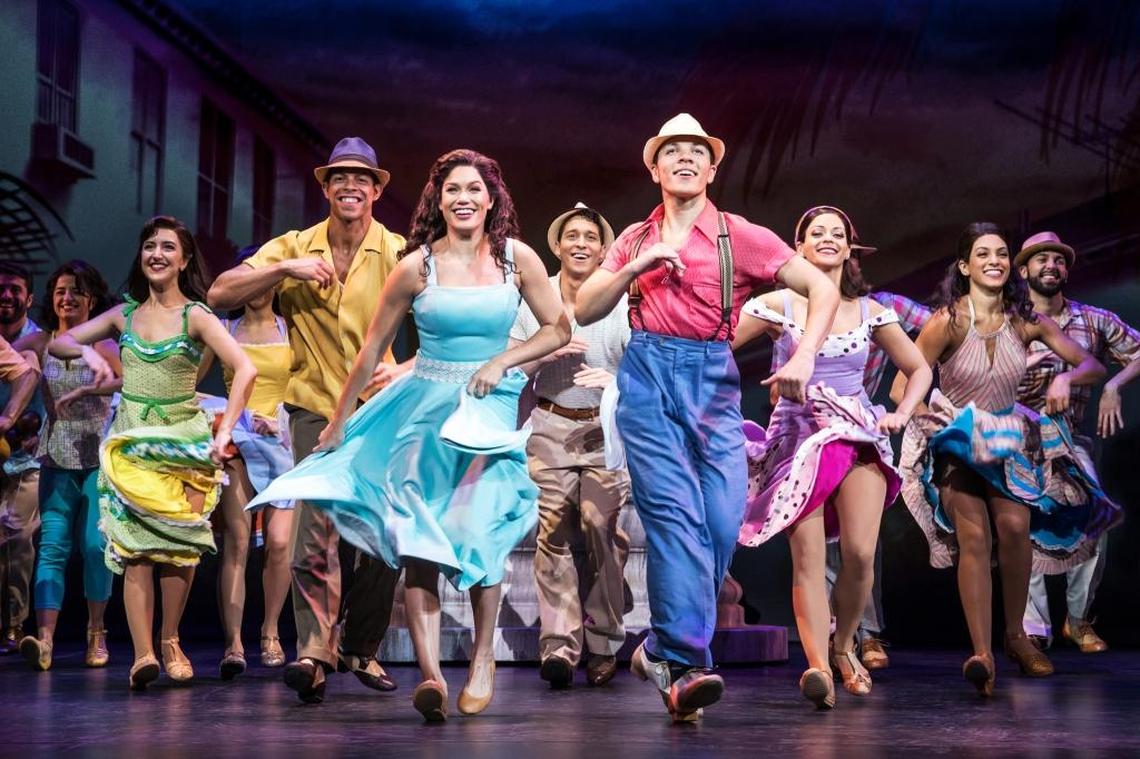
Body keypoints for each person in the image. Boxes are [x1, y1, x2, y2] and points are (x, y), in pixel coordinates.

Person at [250, 149, 570, 721]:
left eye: (474, 188)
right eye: (452, 190)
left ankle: (480, 660)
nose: (464, 198)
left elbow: (557, 328)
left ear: (491, 198)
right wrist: (339, 421)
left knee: (481, 541)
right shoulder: (416, 265)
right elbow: (372, 349)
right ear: (438, 200)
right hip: (423, 412)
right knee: (419, 545)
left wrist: (505, 361)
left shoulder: (515, 259)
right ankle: (430, 678)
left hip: (485, 410)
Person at [575, 114, 840, 721]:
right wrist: (633, 270)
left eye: (698, 152)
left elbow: (820, 290)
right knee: (673, 518)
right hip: (647, 378)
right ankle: (685, 665)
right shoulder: (635, 240)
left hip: (712, 379)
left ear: (712, 168)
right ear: (656, 168)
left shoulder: (741, 235)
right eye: (674, 152)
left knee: (720, 524)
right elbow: (587, 308)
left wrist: (803, 353)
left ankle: (660, 652)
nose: (686, 159)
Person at [209, 137, 407, 702]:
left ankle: (361, 649)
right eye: (339, 177)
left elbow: (446, 312)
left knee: (381, 539)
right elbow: (221, 291)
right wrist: (284, 269)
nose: (350, 186)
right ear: (325, 188)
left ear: (375, 189)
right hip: (312, 409)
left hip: (377, 412)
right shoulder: (295, 244)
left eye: (361, 178)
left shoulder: (395, 249)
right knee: (310, 540)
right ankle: (314, 651)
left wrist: (410, 367)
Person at [896, 222, 1120, 697]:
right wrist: (938, 420)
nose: (995, 260)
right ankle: (981, 653)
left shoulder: (1025, 319)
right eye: (983, 254)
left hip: (1007, 441)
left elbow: (1092, 364)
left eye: (1001, 253)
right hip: (958, 445)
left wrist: (1066, 379)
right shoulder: (947, 322)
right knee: (974, 535)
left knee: (1017, 529)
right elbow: (903, 389)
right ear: (965, 266)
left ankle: (1016, 636)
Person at [733, 206, 932, 709]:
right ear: (798, 248)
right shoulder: (778, 302)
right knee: (809, 559)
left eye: (836, 234)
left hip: (858, 434)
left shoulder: (870, 311)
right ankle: (818, 665)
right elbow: (718, 345)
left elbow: (919, 368)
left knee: (862, 554)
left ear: (849, 248)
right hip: (799, 440)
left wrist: (901, 412)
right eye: (815, 233)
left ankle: (845, 645)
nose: (826, 239)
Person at [50, 216, 257, 690]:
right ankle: (143, 653)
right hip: (131, 443)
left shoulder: (196, 316)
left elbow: (245, 369)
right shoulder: (123, 315)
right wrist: (93, 352)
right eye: (149, 246)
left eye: (167, 247)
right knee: (136, 549)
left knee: (178, 548)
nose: (157, 254)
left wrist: (225, 428)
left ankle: (169, 639)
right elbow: (61, 341)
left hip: (181, 442)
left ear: (184, 260)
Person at [511, 202, 631, 689]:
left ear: (604, 249)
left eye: (590, 237)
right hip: (551, 424)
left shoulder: (622, 303)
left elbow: (644, 371)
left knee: (599, 524)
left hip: (604, 430)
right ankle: (559, 646)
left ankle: (603, 641)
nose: (580, 244)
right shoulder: (536, 304)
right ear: (556, 246)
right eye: (571, 236)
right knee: (553, 531)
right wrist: (546, 351)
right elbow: (512, 368)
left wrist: (616, 382)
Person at [1014, 231, 1140, 653]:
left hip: (1073, 435)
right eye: (1041, 259)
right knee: (1025, 522)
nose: (1051, 266)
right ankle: (1034, 625)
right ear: (1024, 270)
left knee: (1093, 517)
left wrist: (1114, 385)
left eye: (1058, 260)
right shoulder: (1013, 320)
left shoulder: (1094, 319)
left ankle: (1078, 619)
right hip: (1020, 436)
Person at [14, 262, 119, 671]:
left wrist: (88, 387)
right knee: (53, 547)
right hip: (56, 456)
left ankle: (96, 633)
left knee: (95, 548)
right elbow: (18, 365)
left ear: (91, 300)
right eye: (59, 290)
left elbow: (127, 381)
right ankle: (45, 640)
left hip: (97, 458)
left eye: (76, 291)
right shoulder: (42, 342)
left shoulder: (107, 345)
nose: (67, 298)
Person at [199, 247, 295, 679]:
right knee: (237, 542)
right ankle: (234, 642)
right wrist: (228, 414)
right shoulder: (224, 329)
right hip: (238, 442)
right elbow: (189, 386)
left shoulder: (292, 329)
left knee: (279, 545)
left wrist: (284, 419)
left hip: (284, 445)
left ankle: (271, 631)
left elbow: (312, 387)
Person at [0, 262, 45, 653]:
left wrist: (14, 424)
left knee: (18, 542)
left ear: (28, 298)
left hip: (26, 458)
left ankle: (15, 625)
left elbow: (38, 390)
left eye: (15, 289)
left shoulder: (41, 342)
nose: (6, 295)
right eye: (0, 288)